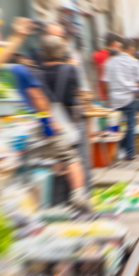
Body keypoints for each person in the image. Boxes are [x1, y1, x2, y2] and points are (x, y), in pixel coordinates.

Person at [39, 35, 86, 201]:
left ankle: (54, 197)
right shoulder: (71, 69)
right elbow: (79, 94)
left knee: (52, 158)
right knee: (72, 158)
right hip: (67, 121)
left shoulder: (36, 72)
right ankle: (77, 196)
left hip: (45, 121)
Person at [105, 38, 139, 160]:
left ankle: (114, 152)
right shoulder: (135, 62)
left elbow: (106, 81)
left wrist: (109, 95)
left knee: (114, 125)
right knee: (130, 125)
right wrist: (133, 88)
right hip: (129, 97)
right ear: (131, 49)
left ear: (121, 47)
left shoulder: (111, 61)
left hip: (114, 99)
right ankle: (129, 153)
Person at [93, 32, 121, 102]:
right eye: (118, 43)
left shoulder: (96, 54)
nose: (119, 45)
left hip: (101, 92)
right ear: (113, 43)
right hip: (115, 93)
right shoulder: (115, 56)